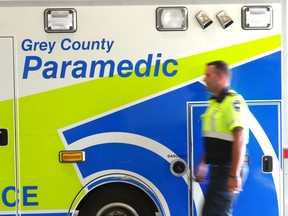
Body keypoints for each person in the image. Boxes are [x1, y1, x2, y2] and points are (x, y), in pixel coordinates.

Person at [196, 60, 249, 216]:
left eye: (208, 75)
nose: (204, 79)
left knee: (213, 213)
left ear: (220, 77)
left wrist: (234, 175)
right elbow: (215, 139)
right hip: (219, 169)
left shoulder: (231, 102)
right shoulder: (214, 103)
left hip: (228, 169)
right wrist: (203, 163)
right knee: (214, 212)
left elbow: (239, 139)